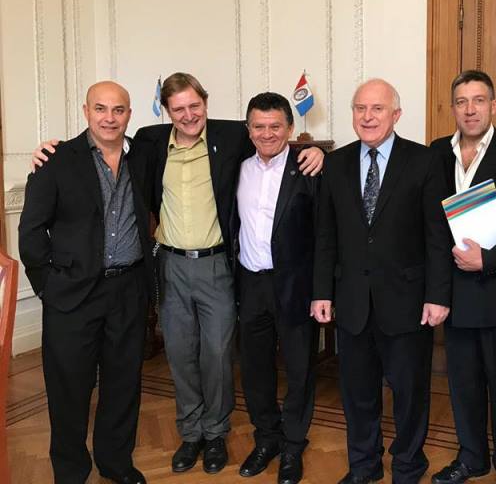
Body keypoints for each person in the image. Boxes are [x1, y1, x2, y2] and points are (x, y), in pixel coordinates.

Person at [31, 72, 324, 475]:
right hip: (169, 265)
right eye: (178, 108)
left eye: (194, 106)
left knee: (218, 356)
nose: (188, 115)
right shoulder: (148, 144)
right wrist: (49, 149)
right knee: (180, 355)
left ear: (206, 103)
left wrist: (312, 150)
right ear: (166, 112)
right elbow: (95, 147)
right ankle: (190, 433)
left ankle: (216, 433)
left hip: (217, 265)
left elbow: (273, 138)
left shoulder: (233, 137)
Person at [311, 78, 452, 484]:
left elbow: (437, 236)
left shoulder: (424, 161)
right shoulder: (335, 164)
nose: (368, 117)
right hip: (352, 301)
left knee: (409, 393)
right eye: (360, 108)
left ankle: (408, 465)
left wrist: (438, 295)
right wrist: (321, 292)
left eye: (377, 109)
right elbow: (326, 235)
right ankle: (364, 466)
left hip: (408, 302)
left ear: (396, 115)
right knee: (357, 393)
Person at [19, 82, 156, 484]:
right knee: (69, 389)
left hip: (128, 290)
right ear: (85, 111)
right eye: (100, 109)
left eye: (118, 110)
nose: (109, 118)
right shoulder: (56, 160)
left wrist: (307, 151)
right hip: (71, 294)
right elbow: (30, 232)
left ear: (129, 114)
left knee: (123, 384)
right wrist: (48, 286)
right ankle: (71, 471)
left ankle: (116, 463)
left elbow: (196, 128)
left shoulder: (145, 155)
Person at [429, 70, 496, 484]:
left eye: (478, 100)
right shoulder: (436, 153)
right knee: (463, 384)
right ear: (452, 108)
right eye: (461, 101)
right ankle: (472, 458)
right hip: (453, 293)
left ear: (494, 106)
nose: (469, 109)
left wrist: (487, 259)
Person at [233, 92, 319, 484]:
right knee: (254, 368)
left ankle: (294, 444)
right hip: (250, 283)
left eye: (275, 126)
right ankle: (266, 437)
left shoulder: (310, 167)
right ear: (248, 129)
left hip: (295, 286)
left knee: (300, 369)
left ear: (290, 128)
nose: (266, 134)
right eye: (259, 126)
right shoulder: (237, 166)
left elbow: (325, 234)